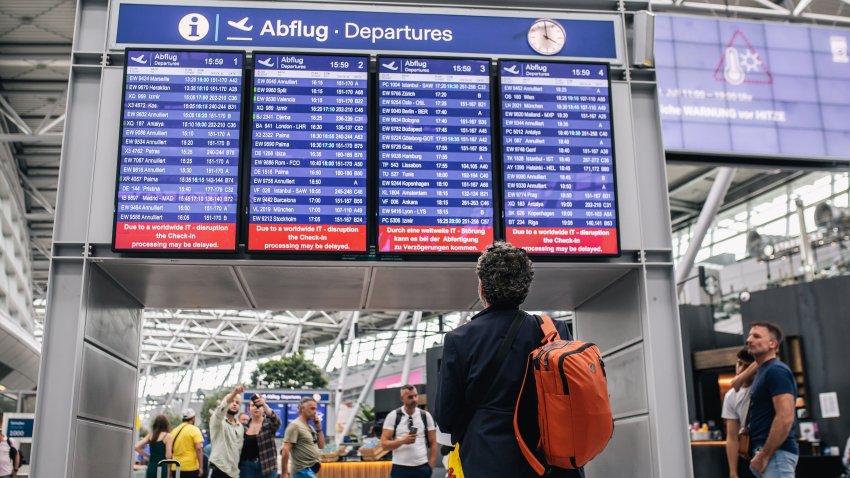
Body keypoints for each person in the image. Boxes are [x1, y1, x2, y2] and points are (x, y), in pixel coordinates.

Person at [434, 242, 582, 478]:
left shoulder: (459, 340)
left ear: (482, 286)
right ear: (524, 287)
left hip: (488, 462)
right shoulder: (553, 332)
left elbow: (446, 418)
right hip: (550, 463)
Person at [746, 321, 798, 478]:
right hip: (769, 454)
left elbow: (785, 417)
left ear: (772, 344)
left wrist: (764, 455)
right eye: (749, 335)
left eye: (756, 336)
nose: (749, 340)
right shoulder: (763, 371)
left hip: (776, 455)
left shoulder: (776, 370)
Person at [380, 385, 438, 478]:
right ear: (402, 398)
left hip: (422, 468)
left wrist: (430, 467)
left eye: (416, 395)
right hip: (400, 469)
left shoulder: (426, 416)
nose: (414, 399)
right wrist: (402, 441)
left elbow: (433, 443)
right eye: (410, 397)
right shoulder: (393, 416)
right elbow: (384, 445)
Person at [722, 348, 756, 478]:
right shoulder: (731, 395)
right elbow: (732, 436)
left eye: (746, 366)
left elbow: (764, 360)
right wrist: (733, 471)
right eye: (739, 363)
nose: (741, 369)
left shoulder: (762, 384)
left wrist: (742, 376)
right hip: (747, 451)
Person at [281, 397, 325, 478]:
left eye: (315, 409)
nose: (314, 412)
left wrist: (319, 428)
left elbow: (321, 445)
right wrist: (284, 473)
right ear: (302, 408)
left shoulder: (311, 427)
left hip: (311, 471)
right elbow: (285, 449)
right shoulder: (295, 426)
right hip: (302, 471)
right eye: (312, 408)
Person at [240, 393, 282, 478]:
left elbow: (277, 421)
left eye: (259, 405)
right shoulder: (243, 427)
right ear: (249, 408)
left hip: (268, 466)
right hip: (247, 467)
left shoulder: (269, 424)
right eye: (253, 405)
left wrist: (264, 405)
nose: (256, 408)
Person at [209, 385, 246, 478]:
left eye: (237, 403)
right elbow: (220, 410)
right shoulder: (217, 420)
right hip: (219, 468)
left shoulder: (240, 426)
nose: (234, 404)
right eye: (232, 401)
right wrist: (235, 393)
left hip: (234, 472)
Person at [166, 408, 205, 478]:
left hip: (176, 467)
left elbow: (170, 452)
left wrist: (169, 469)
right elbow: (199, 448)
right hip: (190, 468)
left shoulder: (174, 431)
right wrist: (201, 467)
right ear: (193, 418)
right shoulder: (194, 429)